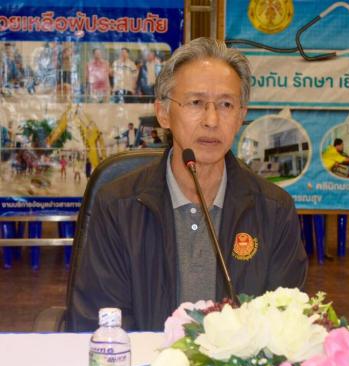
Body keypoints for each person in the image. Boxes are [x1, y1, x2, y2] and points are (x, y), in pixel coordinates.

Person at [68, 38, 308, 332]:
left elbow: (286, 324)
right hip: (145, 360)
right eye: (196, 103)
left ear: (241, 116)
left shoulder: (274, 210)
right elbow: (101, 321)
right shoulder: (117, 206)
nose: (211, 120)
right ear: (163, 113)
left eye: (226, 105)